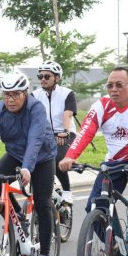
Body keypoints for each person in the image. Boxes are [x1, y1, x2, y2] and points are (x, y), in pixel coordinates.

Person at [59, 67, 128, 251]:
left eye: (119, 85)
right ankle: (115, 246)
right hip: (114, 162)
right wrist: (69, 156)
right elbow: (85, 133)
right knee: (93, 207)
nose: (113, 89)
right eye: (109, 85)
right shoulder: (101, 106)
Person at [0, 74, 57, 256]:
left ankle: (44, 253)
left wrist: (27, 168)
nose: (10, 99)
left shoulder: (36, 109)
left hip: (42, 157)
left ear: (25, 94)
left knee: (42, 202)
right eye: (6, 94)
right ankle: (19, 215)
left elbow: (35, 140)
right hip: (15, 154)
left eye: (16, 94)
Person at [32, 60, 77, 205]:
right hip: (44, 135)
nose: (42, 80)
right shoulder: (35, 95)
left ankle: (67, 191)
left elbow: (67, 115)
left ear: (57, 78)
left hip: (64, 133)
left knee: (56, 158)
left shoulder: (67, 94)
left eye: (47, 76)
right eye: (40, 77)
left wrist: (64, 131)